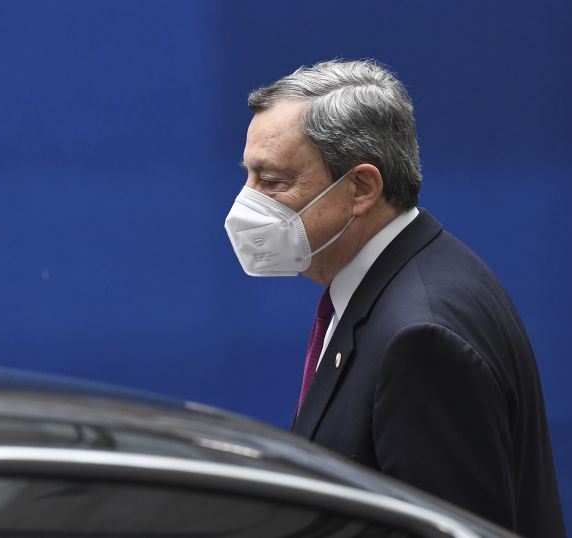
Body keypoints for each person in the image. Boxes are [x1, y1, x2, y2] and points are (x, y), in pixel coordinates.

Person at [223, 60, 565, 537]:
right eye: (248, 176)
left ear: (362, 188)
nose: (246, 203)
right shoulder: (408, 278)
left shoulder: (421, 337)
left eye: (272, 181)